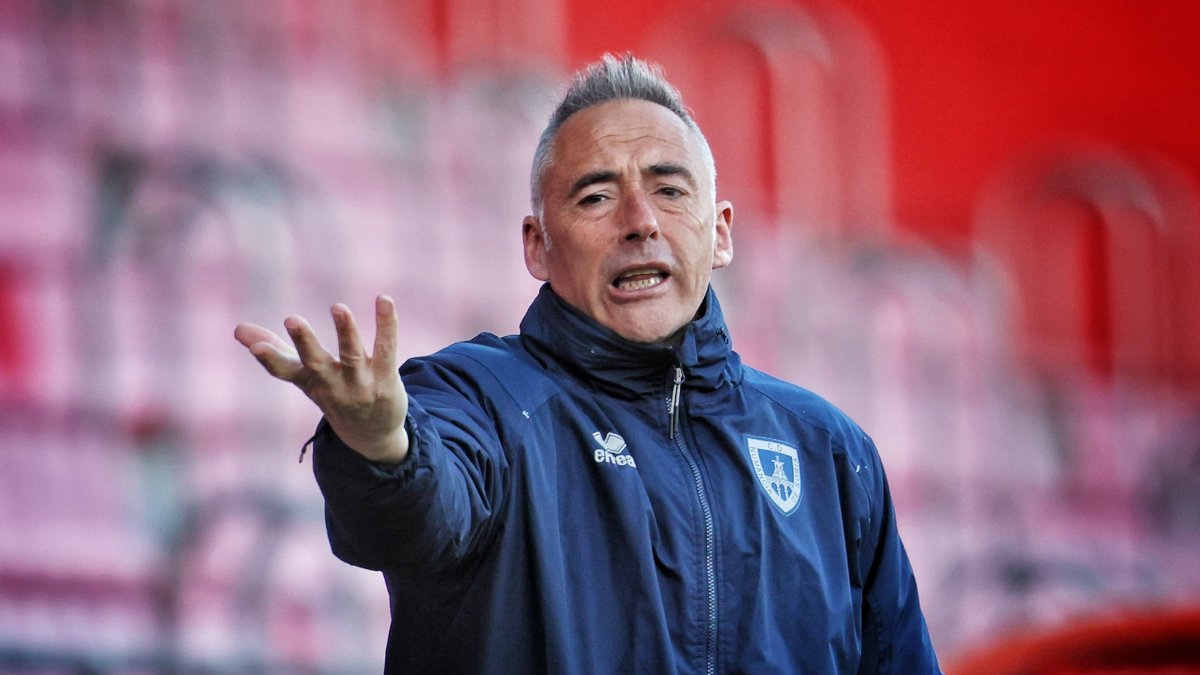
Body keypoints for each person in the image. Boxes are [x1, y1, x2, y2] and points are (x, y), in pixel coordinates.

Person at [235, 54, 941, 674]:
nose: (640, 220)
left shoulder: (830, 452)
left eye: (670, 189)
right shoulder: (480, 399)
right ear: (537, 246)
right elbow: (416, 518)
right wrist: (380, 446)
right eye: (596, 196)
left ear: (720, 232)